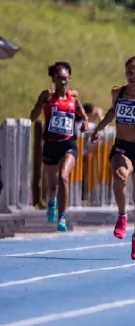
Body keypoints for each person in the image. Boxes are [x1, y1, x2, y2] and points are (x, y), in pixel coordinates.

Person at [89, 56, 135, 260]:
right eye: (129, 71)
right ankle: (122, 215)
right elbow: (112, 111)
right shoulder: (117, 92)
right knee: (120, 175)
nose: (132, 76)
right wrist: (99, 129)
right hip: (122, 147)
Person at [28, 61, 89, 232]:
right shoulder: (47, 96)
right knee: (53, 185)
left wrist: (84, 122)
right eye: (59, 79)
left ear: (70, 79)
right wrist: (42, 103)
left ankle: (62, 216)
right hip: (50, 145)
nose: (63, 82)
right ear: (54, 79)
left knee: (63, 177)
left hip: (68, 144)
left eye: (66, 79)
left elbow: (83, 115)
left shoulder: (73, 97)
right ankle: (51, 202)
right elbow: (33, 117)